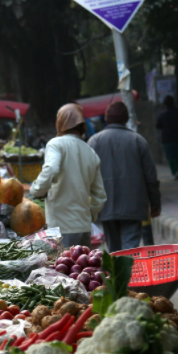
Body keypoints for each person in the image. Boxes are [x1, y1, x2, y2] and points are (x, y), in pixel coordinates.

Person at [29, 104, 107, 249]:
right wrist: (89, 215)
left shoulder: (55, 144)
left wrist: (36, 190)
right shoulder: (90, 152)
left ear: (60, 123)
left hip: (61, 227)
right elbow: (100, 196)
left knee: (62, 270)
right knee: (81, 270)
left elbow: (51, 168)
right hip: (84, 227)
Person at [87, 102, 161, 253]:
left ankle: (118, 275)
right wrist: (155, 203)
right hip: (133, 205)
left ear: (106, 119)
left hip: (106, 205)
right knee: (130, 248)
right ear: (126, 119)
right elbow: (151, 177)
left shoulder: (94, 141)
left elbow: (86, 176)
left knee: (113, 248)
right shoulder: (138, 141)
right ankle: (128, 275)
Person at [155, 95, 178, 180]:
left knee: (170, 156)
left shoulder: (161, 114)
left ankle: (174, 172)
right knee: (176, 155)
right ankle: (177, 171)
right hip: (177, 136)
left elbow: (158, 126)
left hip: (166, 138)